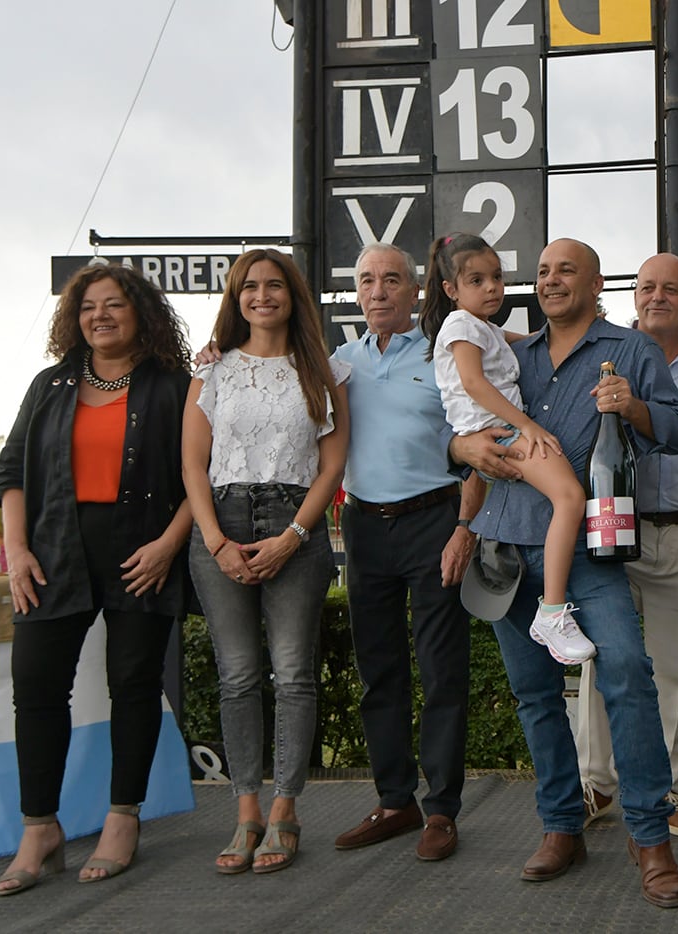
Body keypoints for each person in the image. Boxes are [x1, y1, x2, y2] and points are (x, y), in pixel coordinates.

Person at [449, 238, 678, 908]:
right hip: (505, 547)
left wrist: (633, 407)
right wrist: (462, 447)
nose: (550, 280)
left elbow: (677, 430)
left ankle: (650, 838)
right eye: (543, 270)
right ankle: (562, 826)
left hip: (588, 550)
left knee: (629, 678)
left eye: (566, 271)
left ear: (595, 283)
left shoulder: (633, 349)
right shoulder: (509, 353)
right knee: (534, 696)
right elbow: (458, 428)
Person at [0, 265, 193, 895]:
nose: (99, 315)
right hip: (53, 554)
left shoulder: (173, 386)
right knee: (38, 686)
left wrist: (167, 544)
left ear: (141, 313)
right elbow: (11, 474)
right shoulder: (49, 385)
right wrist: (17, 551)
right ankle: (40, 829)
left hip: (143, 551)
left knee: (133, 684)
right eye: (87, 307)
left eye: (113, 304)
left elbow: (200, 476)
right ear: (74, 318)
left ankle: (122, 817)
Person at [183, 248, 349, 875]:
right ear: (236, 297)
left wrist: (294, 536)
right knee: (238, 675)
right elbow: (191, 464)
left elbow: (332, 465)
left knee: (293, 673)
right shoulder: (214, 371)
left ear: (292, 295)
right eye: (249, 287)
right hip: (220, 520)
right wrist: (217, 542)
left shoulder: (321, 371)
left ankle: (285, 809)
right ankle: (245, 811)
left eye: (273, 285)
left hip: (294, 523)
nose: (261, 296)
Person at [327, 242, 480, 862]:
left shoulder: (443, 355)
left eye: (393, 278)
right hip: (364, 529)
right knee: (379, 672)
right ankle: (396, 802)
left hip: (435, 522)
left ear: (417, 290)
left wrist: (464, 527)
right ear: (357, 291)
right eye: (367, 280)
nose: (379, 290)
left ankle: (441, 810)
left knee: (442, 671)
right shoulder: (339, 363)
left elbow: (475, 438)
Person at [573, 253, 678, 836]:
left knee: (674, 670)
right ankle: (596, 784)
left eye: (671, 288)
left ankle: (666, 789)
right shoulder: (598, 353)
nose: (657, 296)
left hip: (677, 530)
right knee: (601, 661)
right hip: (606, 531)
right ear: (632, 295)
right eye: (646, 287)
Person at [421, 233, 592, 664]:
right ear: (450, 289)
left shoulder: (485, 328)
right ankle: (552, 612)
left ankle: (552, 609)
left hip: (502, 430)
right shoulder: (460, 325)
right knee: (570, 498)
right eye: (476, 280)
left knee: (566, 500)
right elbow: (474, 383)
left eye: (496, 277)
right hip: (500, 433)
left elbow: (535, 340)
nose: (492, 287)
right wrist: (527, 425)